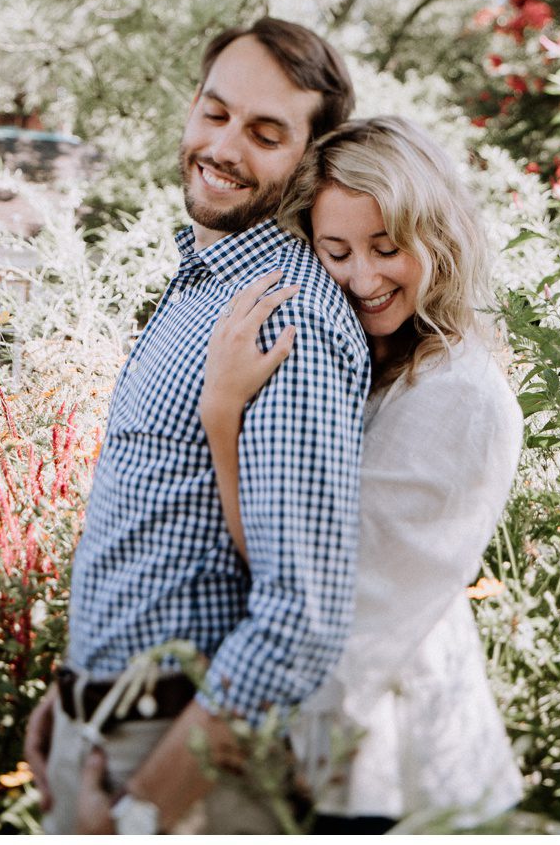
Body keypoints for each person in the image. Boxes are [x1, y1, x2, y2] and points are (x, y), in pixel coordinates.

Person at [28, 18, 371, 834]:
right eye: (215, 113)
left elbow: (300, 618)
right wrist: (74, 694)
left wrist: (145, 811)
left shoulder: (286, 318)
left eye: (265, 134)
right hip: (100, 731)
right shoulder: (201, 283)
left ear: (309, 159)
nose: (222, 146)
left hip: (179, 772)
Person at [195, 116, 526, 831]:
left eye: (387, 247)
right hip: (351, 765)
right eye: (336, 251)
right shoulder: (379, 357)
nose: (364, 279)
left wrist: (221, 417)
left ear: (437, 238)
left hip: (394, 781)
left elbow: (315, 590)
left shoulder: (456, 397)